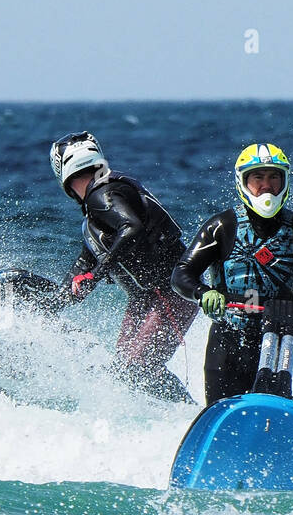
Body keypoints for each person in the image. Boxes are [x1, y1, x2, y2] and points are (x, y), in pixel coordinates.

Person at [171, 143, 293, 405]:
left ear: (284, 181)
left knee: (268, 406)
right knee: (224, 412)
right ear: (243, 181)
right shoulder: (221, 227)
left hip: (278, 344)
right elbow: (181, 273)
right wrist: (202, 293)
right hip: (226, 343)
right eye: (258, 177)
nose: (266, 185)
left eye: (274, 177)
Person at [48, 131, 198, 402]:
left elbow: (131, 228)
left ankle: (189, 413)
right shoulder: (97, 213)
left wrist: (96, 274)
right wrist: (53, 303)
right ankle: (174, 414)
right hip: (147, 297)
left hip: (171, 294)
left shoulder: (102, 194)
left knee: (138, 370)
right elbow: (86, 261)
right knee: (123, 371)